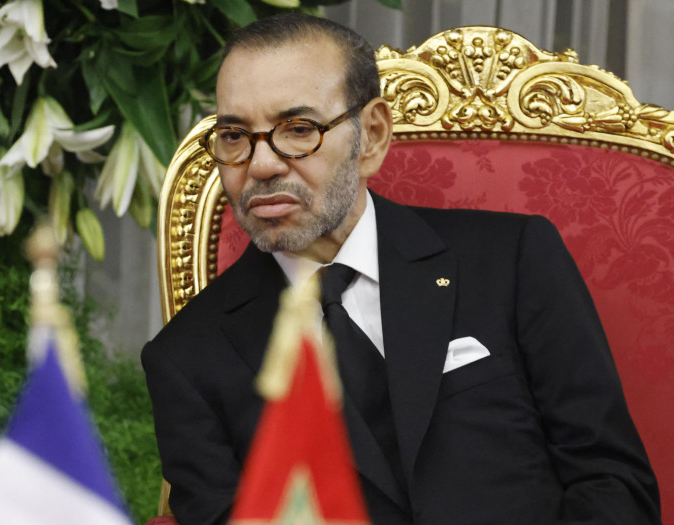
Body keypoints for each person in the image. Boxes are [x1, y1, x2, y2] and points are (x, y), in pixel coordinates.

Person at [142, 13, 659, 525]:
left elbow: (611, 481)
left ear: (371, 135)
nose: (260, 165)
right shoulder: (186, 360)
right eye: (234, 136)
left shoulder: (512, 260)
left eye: (298, 129)